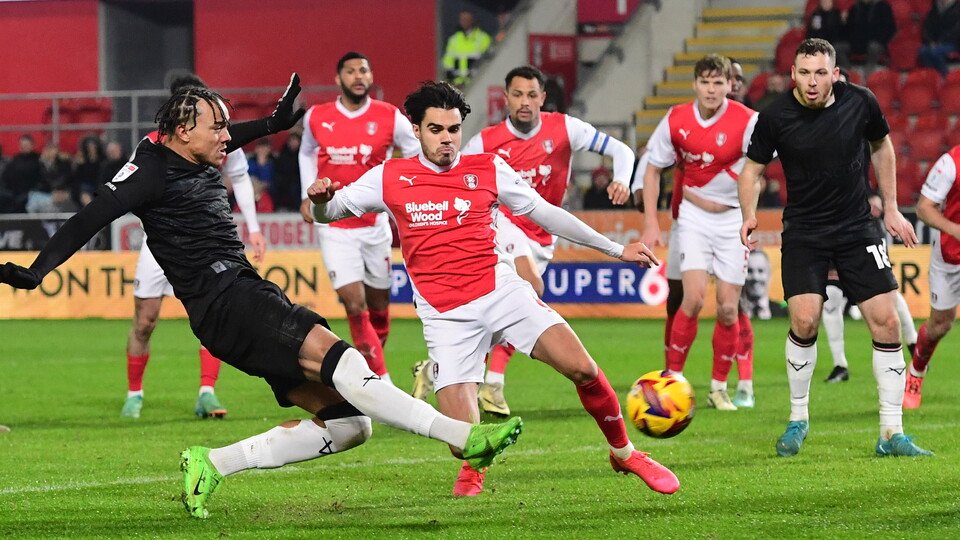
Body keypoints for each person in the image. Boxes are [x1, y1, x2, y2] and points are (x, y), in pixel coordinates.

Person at [0, 76, 524, 520]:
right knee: (343, 360)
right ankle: (463, 436)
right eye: (218, 127)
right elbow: (91, 216)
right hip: (230, 299)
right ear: (184, 131)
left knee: (349, 426)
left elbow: (229, 135)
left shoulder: (191, 147)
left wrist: (272, 124)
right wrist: (39, 270)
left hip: (231, 306)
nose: (228, 137)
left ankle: (213, 462)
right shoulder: (150, 170)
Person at [308, 81, 679, 497]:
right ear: (415, 130)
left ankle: (625, 453)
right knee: (459, 442)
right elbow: (326, 213)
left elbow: (548, 214)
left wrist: (615, 249)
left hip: (501, 292)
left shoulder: (488, 168)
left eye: (453, 129)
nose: (446, 139)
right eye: (435, 130)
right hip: (445, 317)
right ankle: (469, 454)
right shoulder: (390, 177)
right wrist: (322, 200)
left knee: (584, 369)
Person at [738, 38, 933, 458]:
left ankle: (891, 434)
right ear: (793, 74)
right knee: (805, 320)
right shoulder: (774, 116)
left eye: (820, 73)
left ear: (836, 74)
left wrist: (893, 208)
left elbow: (882, 146)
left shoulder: (860, 102)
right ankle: (798, 418)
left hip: (856, 229)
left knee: (887, 323)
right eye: (804, 73)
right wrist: (749, 213)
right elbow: (752, 170)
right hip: (805, 232)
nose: (812, 82)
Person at [440, 65, 634, 417]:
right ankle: (494, 384)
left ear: (543, 98)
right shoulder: (485, 141)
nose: (525, 102)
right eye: (518, 95)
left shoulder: (565, 128)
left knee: (509, 312)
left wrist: (622, 178)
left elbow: (621, 151)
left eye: (532, 95)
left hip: (542, 236)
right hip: (500, 226)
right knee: (530, 287)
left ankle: (449, 369)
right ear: (506, 98)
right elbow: (453, 176)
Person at [120, 74, 268, 421]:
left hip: (204, 246)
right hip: (160, 245)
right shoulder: (150, 147)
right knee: (145, 321)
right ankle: (134, 395)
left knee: (213, 314)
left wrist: (255, 228)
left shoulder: (219, 138)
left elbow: (243, 179)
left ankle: (207, 392)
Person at [641, 54, 759, 411]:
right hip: (691, 216)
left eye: (718, 83)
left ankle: (719, 388)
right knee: (690, 299)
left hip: (731, 221)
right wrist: (651, 222)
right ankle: (672, 382)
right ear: (695, 84)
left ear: (729, 86)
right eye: (705, 82)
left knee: (727, 307)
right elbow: (651, 170)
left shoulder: (748, 121)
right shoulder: (676, 118)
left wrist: (749, 216)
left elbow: (759, 172)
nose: (711, 89)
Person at [298, 52, 421, 384]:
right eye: (350, 71)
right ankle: (381, 380)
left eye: (363, 70)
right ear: (339, 79)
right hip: (334, 225)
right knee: (354, 305)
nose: (358, 76)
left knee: (379, 309)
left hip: (374, 224)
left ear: (371, 76)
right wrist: (305, 195)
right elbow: (306, 151)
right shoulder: (317, 117)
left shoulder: (389, 117)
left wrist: (404, 191)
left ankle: (367, 367)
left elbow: (414, 153)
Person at [821, 192, 918, 384]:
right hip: (840, 268)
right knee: (830, 299)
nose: (875, 207)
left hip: (864, 269)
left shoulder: (875, 225)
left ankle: (914, 345)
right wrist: (831, 267)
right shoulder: (836, 208)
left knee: (894, 299)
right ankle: (840, 365)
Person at [902, 145, 960, 408]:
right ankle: (915, 372)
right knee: (940, 325)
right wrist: (956, 231)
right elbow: (924, 208)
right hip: (952, 254)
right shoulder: (951, 162)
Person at [834, 0, 897, 74]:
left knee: (873, 47)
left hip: (877, 43)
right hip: (857, 43)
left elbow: (890, 29)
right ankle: (850, 74)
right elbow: (847, 30)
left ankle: (868, 76)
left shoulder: (883, 7)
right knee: (838, 47)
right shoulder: (855, 7)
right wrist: (842, 23)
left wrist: (879, 40)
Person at [443, 10, 492, 87]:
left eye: (466, 19)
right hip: (457, 85)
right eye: (462, 19)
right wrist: (451, 79)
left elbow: (487, 61)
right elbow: (447, 62)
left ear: (472, 20)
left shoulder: (483, 38)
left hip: (477, 83)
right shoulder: (453, 39)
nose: (464, 21)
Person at [741, 249, 788, 320]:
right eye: (749, 271)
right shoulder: (733, 312)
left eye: (760, 271)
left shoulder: (784, 314)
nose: (755, 277)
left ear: (769, 274)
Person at [0, 134, 41, 213]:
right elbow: (7, 175)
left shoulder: (37, 160)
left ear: (32, 145)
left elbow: (36, 177)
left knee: (20, 201)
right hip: (12, 190)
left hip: (30, 191)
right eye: (22, 145)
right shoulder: (15, 159)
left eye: (26, 145)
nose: (24, 147)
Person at [918, 0, 960, 77]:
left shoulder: (957, 10)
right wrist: (930, 41)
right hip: (935, 42)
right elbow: (927, 28)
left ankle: (945, 76)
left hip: (952, 42)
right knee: (923, 51)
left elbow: (956, 31)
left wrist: (940, 42)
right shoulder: (933, 11)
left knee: (935, 52)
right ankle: (932, 76)